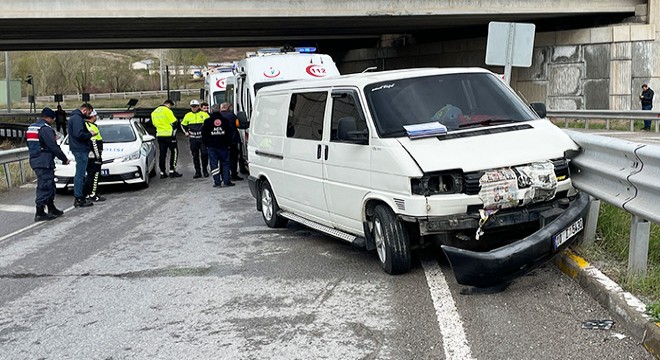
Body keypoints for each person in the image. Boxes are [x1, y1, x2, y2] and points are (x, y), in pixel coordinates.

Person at [26, 107, 69, 221]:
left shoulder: (32, 128)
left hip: (36, 159)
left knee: (49, 184)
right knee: (45, 185)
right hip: (44, 160)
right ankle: (40, 212)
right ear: (49, 118)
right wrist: (64, 159)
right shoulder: (45, 129)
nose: (53, 121)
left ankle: (51, 208)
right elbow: (53, 146)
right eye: (53, 119)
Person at [67, 103, 96, 208]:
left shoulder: (75, 118)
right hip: (80, 149)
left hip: (78, 148)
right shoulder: (77, 119)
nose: (89, 115)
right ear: (84, 110)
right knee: (80, 174)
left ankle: (79, 197)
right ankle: (79, 197)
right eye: (89, 112)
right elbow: (79, 134)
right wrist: (90, 134)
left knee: (80, 174)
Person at [202, 103, 236, 188]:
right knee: (225, 163)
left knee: (214, 164)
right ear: (220, 110)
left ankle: (217, 182)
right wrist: (228, 143)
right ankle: (227, 181)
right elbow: (229, 133)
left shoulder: (207, 121)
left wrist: (206, 144)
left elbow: (204, 135)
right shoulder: (225, 121)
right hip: (223, 146)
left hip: (212, 146)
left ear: (211, 110)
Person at [151, 99, 183, 178]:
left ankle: (162, 172)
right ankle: (172, 171)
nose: (170, 108)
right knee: (174, 152)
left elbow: (154, 124)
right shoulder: (167, 111)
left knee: (162, 154)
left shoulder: (154, 112)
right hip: (169, 135)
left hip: (160, 135)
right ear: (168, 104)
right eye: (171, 106)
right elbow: (174, 122)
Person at [181, 99, 210, 178]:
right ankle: (198, 171)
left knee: (204, 154)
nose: (194, 108)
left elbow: (209, 124)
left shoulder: (204, 114)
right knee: (195, 155)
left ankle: (205, 169)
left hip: (202, 138)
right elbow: (183, 125)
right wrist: (186, 132)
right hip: (193, 138)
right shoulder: (188, 115)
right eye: (192, 106)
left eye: (195, 106)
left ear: (198, 106)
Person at [83, 110, 106, 202]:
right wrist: (98, 157)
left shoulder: (87, 125)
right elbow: (94, 143)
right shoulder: (91, 127)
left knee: (90, 175)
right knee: (94, 175)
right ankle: (93, 194)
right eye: (95, 116)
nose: (96, 117)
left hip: (90, 155)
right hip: (93, 156)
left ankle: (87, 194)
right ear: (92, 116)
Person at [220, 102, 243, 181]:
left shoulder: (217, 116)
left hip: (221, 141)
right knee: (233, 158)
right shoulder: (232, 115)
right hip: (232, 140)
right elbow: (238, 125)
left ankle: (223, 175)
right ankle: (233, 174)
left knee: (223, 158)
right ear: (228, 108)